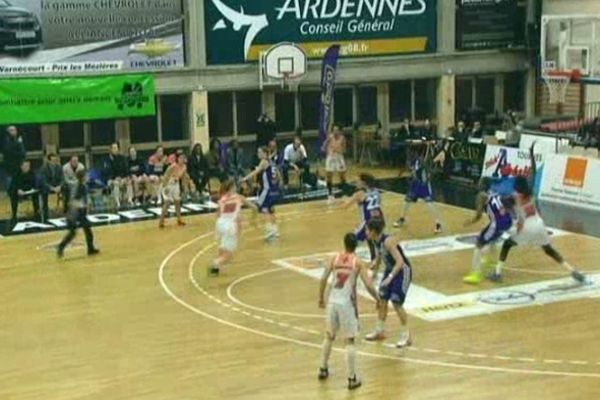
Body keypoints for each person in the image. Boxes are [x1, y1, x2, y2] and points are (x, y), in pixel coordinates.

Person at [489, 176, 586, 284]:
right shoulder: (531, 194)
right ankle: (572, 270)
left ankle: (497, 273)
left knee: (507, 244)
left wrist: (503, 208)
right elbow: (537, 210)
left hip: (527, 226)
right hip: (539, 224)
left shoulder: (513, 197)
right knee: (549, 249)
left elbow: (503, 205)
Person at [318, 232, 380, 391]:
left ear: (344, 243)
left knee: (329, 335)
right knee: (350, 340)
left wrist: (320, 298)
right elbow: (368, 285)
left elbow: (324, 278)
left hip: (332, 300)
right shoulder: (357, 262)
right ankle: (352, 378)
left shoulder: (334, 258)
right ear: (356, 246)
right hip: (346, 303)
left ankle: (323, 368)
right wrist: (378, 299)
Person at [364, 218, 412, 348]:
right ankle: (379, 331)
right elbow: (379, 255)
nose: (366, 231)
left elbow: (400, 261)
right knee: (382, 299)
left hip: (402, 271)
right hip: (390, 269)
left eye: (367, 229)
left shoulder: (388, 241)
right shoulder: (375, 240)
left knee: (396, 302)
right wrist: (375, 270)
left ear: (373, 231)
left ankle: (406, 335)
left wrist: (390, 277)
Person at [462, 178, 514, 284]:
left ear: (481, 186)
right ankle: (491, 261)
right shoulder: (495, 192)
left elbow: (478, 216)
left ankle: (476, 274)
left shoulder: (481, 196)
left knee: (479, 243)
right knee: (492, 239)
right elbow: (509, 202)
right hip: (508, 221)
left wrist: (469, 222)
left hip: (497, 224)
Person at [209, 178, 258, 276]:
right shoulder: (239, 197)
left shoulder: (222, 198)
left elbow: (218, 214)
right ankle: (215, 263)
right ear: (232, 188)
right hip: (230, 225)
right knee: (229, 256)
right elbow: (255, 208)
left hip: (220, 223)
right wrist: (253, 220)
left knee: (223, 248)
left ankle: (215, 270)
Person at [393, 151, 443, 234]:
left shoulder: (426, 161)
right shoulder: (414, 161)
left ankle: (438, 224)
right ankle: (402, 219)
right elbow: (412, 170)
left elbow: (430, 165)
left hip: (424, 185)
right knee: (407, 201)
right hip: (415, 184)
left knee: (430, 204)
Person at [57, 169, 99, 258]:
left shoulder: (81, 185)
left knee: (87, 229)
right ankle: (61, 247)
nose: (88, 177)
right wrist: (84, 205)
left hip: (79, 212)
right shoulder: (80, 186)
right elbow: (74, 200)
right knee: (73, 232)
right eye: (86, 176)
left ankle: (90, 249)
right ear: (83, 177)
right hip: (74, 213)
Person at [340, 173, 382, 261]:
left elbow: (345, 206)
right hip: (379, 220)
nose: (356, 183)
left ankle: (346, 261)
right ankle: (374, 259)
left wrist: (344, 199)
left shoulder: (359, 193)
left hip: (368, 221)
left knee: (352, 241)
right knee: (372, 239)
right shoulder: (377, 192)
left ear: (364, 183)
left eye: (358, 181)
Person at [241, 146, 280, 241]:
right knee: (271, 210)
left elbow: (255, 172)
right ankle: (275, 229)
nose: (258, 154)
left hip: (268, 191)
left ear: (264, 153)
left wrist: (245, 178)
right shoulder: (272, 162)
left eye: (260, 152)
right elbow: (278, 175)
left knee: (263, 209)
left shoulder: (264, 162)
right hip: (275, 190)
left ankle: (269, 230)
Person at [158, 152, 189, 228]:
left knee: (177, 202)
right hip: (169, 184)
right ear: (177, 159)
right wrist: (165, 187)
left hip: (176, 184)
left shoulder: (184, 166)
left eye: (183, 158)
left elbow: (184, 177)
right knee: (167, 202)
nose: (182, 159)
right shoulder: (173, 166)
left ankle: (179, 219)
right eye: (180, 158)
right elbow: (166, 176)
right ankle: (161, 221)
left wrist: (185, 187)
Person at [9, 160, 40, 226]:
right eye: (25, 166)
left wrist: (33, 189)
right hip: (18, 191)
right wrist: (18, 190)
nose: (27, 168)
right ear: (21, 166)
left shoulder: (32, 173)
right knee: (13, 195)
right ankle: (14, 214)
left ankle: (36, 211)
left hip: (28, 191)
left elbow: (34, 183)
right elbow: (13, 185)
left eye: (28, 166)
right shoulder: (16, 174)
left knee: (36, 194)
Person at [322, 124, 347, 203]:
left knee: (342, 176)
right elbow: (324, 146)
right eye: (334, 130)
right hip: (331, 157)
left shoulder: (342, 138)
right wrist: (327, 150)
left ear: (339, 131)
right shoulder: (330, 137)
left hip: (339, 157)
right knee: (329, 176)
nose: (335, 131)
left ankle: (344, 193)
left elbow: (344, 149)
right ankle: (330, 194)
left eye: (337, 130)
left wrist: (340, 151)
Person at [39, 153, 64, 222]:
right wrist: (51, 188)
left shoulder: (59, 167)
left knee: (66, 188)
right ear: (49, 161)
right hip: (48, 187)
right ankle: (45, 210)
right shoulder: (43, 168)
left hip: (57, 186)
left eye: (55, 160)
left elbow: (62, 179)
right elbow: (43, 181)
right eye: (53, 160)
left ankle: (66, 208)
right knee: (43, 190)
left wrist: (60, 186)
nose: (55, 162)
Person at [103, 143, 129, 208]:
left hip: (121, 178)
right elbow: (108, 172)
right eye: (114, 148)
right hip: (110, 179)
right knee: (116, 183)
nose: (116, 150)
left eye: (116, 148)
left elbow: (125, 170)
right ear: (111, 149)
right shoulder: (107, 159)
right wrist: (114, 179)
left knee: (129, 182)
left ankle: (130, 200)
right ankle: (117, 202)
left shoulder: (122, 158)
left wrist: (122, 177)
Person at [2, 126, 26, 190]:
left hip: (18, 165)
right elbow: (10, 152)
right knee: (10, 181)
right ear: (8, 132)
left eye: (15, 130)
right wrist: (19, 143)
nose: (14, 131)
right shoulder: (7, 141)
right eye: (11, 130)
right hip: (10, 166)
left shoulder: (16, 140)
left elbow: (23, 153)